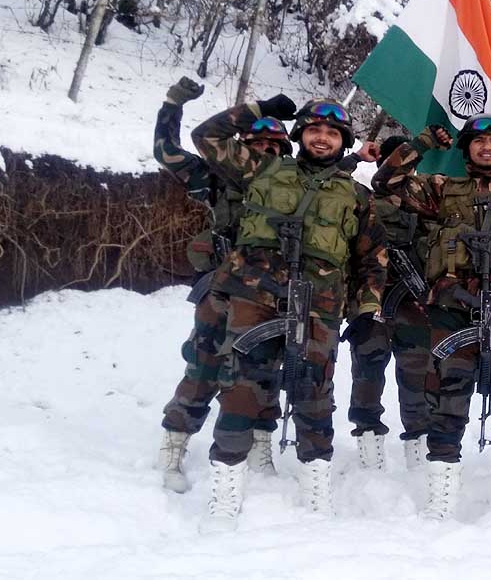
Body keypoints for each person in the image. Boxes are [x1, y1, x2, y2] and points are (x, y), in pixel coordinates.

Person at [190, 98, 387, 529]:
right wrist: (258, 108)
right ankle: (226, 490)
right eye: (315, 130)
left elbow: (373, 259)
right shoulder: (263, 169)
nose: (322, 137)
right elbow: (206, 137)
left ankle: (316, 488)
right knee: (241, 390)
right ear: (299, 135)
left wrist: (367, 309)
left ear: (343, 141)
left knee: (315, 396)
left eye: (332, 133)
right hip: (255, 299)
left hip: (319, 304)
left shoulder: (357, 196)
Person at [372, 115, 491, 519]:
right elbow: (386, 183)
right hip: (452, 314)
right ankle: (440, 498)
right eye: (478, 141)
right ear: (466, 150)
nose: (487, 147)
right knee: (446, 403)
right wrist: (422, 142)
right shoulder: (441, 189)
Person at [153, 77, 291, 493]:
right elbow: (167, 151)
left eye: (274, 146)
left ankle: (258, 444)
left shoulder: (288, 183)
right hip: (222, 286)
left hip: (272, 290)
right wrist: (172, 105)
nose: (265, 150)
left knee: (265, 369)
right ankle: (175, 444)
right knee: (206, 363)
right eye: (257, 142)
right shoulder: (214, 175)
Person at [344, 136, 433, 471]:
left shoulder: (426, 202)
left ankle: (418, 450)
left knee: (417, 378)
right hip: (371, 301)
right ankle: (369, 450)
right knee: (367, 373)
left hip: (414, 303)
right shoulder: (361, 198)